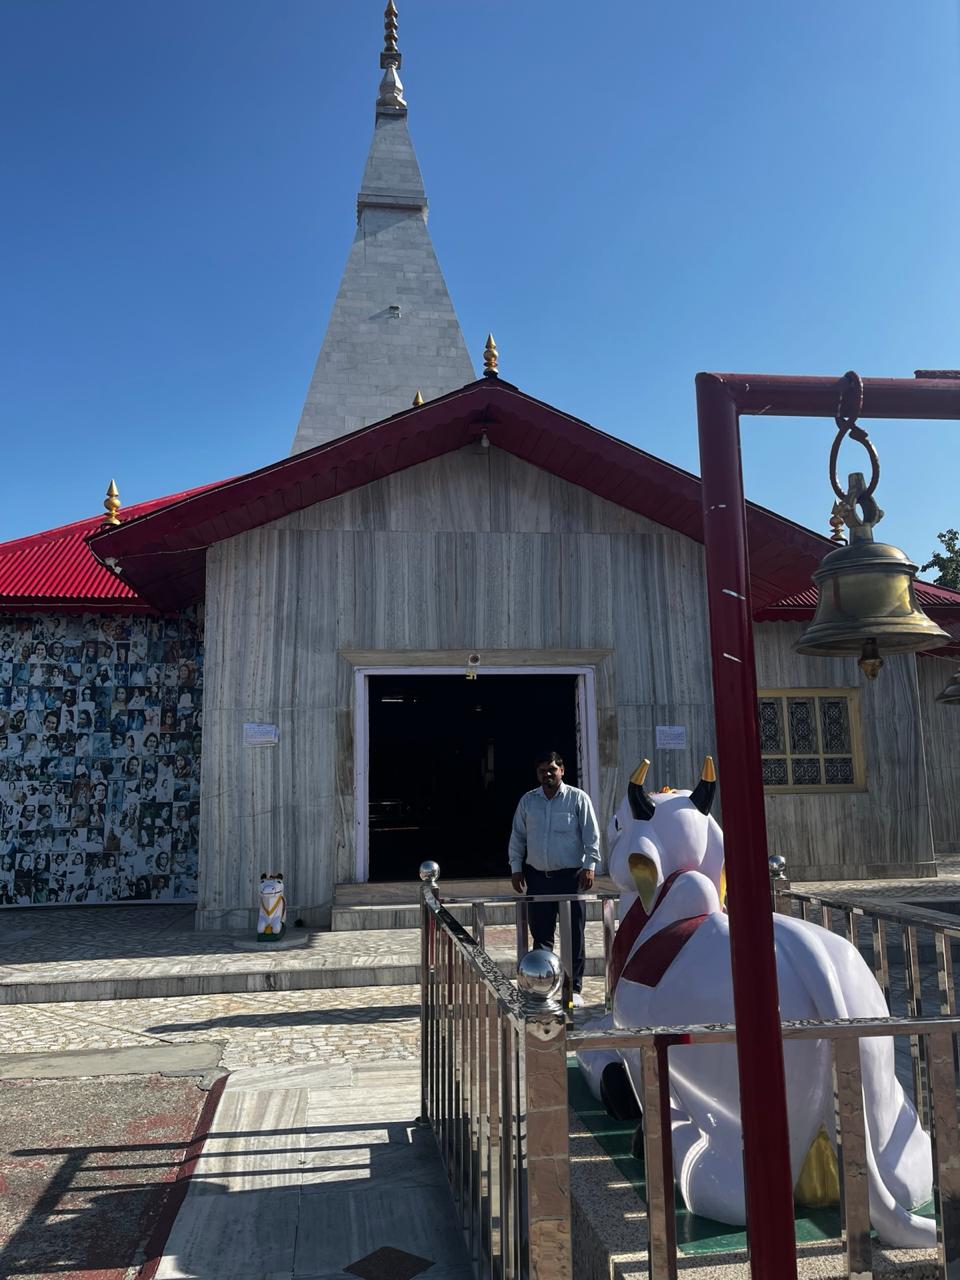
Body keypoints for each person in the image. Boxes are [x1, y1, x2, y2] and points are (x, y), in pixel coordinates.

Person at [508, 750, 600, 1007]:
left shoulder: (578, 798)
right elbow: (518, 837)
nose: (547, 774)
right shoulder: (528, 801)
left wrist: (590, 865)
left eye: (552, 769)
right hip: (538, 878)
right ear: (536, 774)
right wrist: (516, 867)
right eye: (542, 771)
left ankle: (574, 988)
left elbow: (591, 835)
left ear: (562, 770)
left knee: (574, 936)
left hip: (571, 878)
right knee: (541, 935)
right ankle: (544, 986)